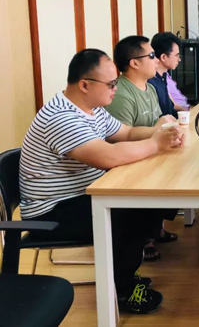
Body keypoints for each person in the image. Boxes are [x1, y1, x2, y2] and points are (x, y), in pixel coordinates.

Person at [19, 49, 182, 314]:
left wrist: (159, 131)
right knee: (131, 214)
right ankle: (124, 290)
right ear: (84, 85)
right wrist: (155, 144)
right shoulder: (61, 117)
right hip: (52, 213)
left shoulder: (92, 110)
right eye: (111, 84)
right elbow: (108, 156)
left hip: (82, 197)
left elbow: (126, 133)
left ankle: (124, 272)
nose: (116, 88)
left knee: (144, 204)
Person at [106, 35, 179, 260]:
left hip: (149, 153)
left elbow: (156, 123)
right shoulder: (121, 93)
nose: (156, 60)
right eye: (151, 55)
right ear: (135, 63)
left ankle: (154, 229)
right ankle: (144, 237)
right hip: (129, 162)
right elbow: (119, 138)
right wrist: (158, 133)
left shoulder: (149, 88)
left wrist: (168, 132)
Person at [149, 32, 181, 117]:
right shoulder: (150, 82)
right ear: (163, 57)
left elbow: (170, 107)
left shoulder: (163, 76)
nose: (179, 59)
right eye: (177, 56)